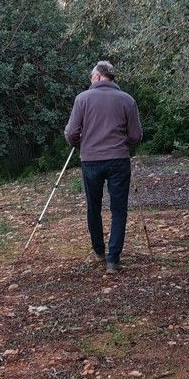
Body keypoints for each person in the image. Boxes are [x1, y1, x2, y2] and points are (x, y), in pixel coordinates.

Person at [64, 60, 143, 273]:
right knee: (119, 209)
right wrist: (122, 142)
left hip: (90, 159)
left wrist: (80, 143)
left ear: (98, 76)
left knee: (93, 207)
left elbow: (71, 133)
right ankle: (113, 259)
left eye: (91, 78)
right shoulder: (127, 100)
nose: (90, 81)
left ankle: (99, 250)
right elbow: (136, 136)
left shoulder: (82, 99)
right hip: (119, 159)